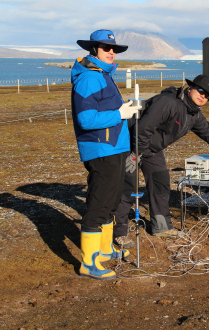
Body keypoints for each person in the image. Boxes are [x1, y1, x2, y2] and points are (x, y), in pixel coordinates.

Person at [113, 74, 209, 245]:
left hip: (152, 149)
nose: (203, 96)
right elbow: (143, 128)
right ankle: (119, 232)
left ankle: (161, 227)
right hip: (132, 144)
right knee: (128, 187)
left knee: (160, 182)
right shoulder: (168, 102)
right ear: (191, 88)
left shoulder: (193, 114)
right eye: (201, 91)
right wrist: (136, 154)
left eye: (208, 96)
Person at [71, 29, 142, 279]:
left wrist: (124, 110)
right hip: (101, 149)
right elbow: (86, 119)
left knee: (111, 201)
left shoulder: (104, 75)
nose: (111, 52)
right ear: (93, 50)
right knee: (100, 203)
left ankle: (103, 251)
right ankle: (88, 264)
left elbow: (106, 110)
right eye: (105, 48)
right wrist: (120, 114)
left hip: (114, 148)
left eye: (114, 49)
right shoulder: (90, 78)